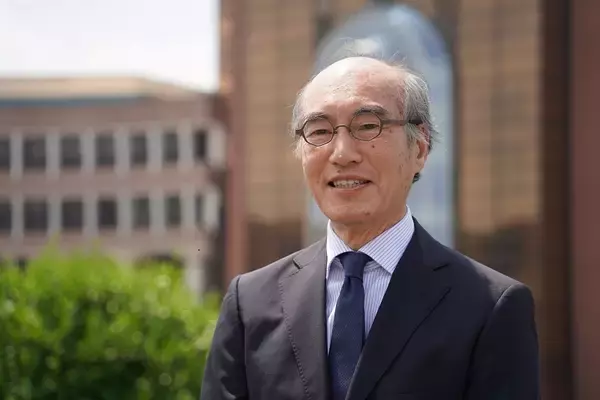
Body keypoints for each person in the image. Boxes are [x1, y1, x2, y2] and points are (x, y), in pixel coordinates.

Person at [201, 56, 540, 400]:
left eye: (367, 126)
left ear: (419, 148)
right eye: (320, 131)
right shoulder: (250, 304)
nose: (342, 154)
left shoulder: (490, 306)